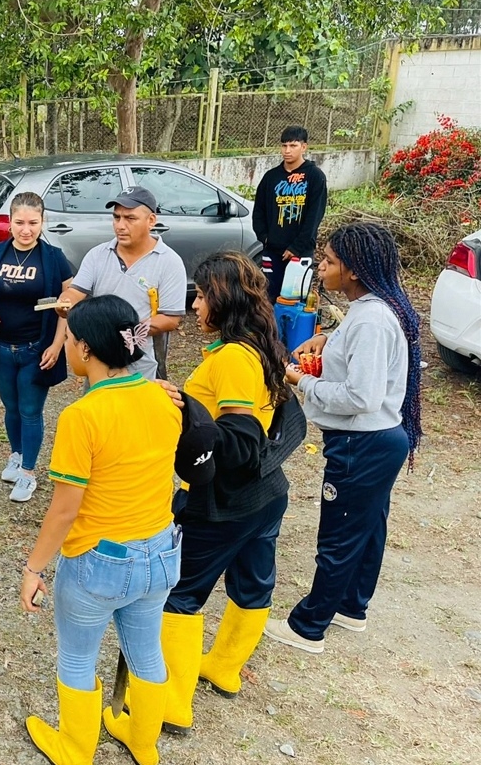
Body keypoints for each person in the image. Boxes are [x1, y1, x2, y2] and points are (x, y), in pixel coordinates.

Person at [19, 294, 207, 765]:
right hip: (160, 553)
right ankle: (143, 743)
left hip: (100, 562)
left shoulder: (82, 416)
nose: (67, 347)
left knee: (78, 658)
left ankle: (75, 748)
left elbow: (65, 510)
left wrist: (33, 568)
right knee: (146, 652)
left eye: (70, 339)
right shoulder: (164, 398)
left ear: (85, 348)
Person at [264, 222, 422, 654]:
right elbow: (363, 351)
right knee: (367, 530)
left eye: (329, 261)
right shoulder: (374, 309)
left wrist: (301, 381)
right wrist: (328, 338)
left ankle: (308, 627)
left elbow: (361, 397)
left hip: (361, 445)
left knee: (339, 537)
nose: (320, 267)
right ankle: (351, 607)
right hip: (377, 442)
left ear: (353, 270)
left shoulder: (370, 319)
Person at [158, 251, 294, 736]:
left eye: (201, 295)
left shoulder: (234, 357)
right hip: (267, 493)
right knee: (253, 584)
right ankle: (223, 667)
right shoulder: (258, 344)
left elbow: (238, 440)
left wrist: (186, 411)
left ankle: (172, 705)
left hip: (224, 501)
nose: (194, 305)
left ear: (224, 298)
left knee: (180, 594)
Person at [0, 191, 72, 503]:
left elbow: (67, 305)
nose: (26, 230)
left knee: (30, 411)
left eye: (33, 223)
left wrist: (57, 345)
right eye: (19, 223)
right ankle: (16, 455)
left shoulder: (54, 259)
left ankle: (28, 472)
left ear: (43, 222)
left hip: (36, 350)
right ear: (10, 222)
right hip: (0, 348)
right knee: (11, 408)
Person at [57, 186, 187, 382]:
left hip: (142, 364)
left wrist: (127, 333)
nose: (120, 225)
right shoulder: (97, 255)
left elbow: (170, 318)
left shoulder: (169, 262)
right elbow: (75, 292)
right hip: (99, 361)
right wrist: (65, 301)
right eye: (116, 217)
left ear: (151, 220)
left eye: (130, 218)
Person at [252, 125, 328, 303]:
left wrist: (296, 248)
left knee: (296, 301)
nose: (287, 150)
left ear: (304, 147)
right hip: (272, 251)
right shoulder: (271, 177)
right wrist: (265, 238)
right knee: (269, 299)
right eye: (284, 145)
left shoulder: (315, 177)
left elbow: (314, 216)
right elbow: (259, 211)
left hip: (300, 253)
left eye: (293, 145)